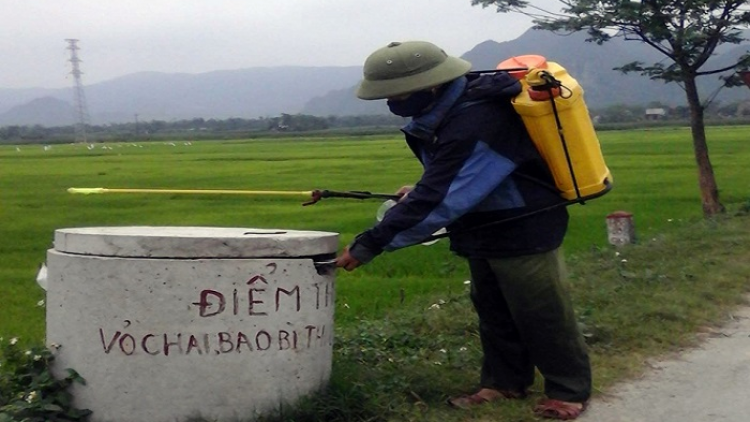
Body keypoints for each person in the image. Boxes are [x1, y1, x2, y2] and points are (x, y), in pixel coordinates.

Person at [335, 40, 592, 420]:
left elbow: (442, 197)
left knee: (540, 309)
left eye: (398, 93)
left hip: (523, 222)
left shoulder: (477, 117)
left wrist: (369, 245)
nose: (392, 102)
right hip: (481, 221)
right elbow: (450, 176)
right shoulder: (450, 110)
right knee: (492, 308)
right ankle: (504, 382)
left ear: (431, 84)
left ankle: (568, 390)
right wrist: (421, 188)